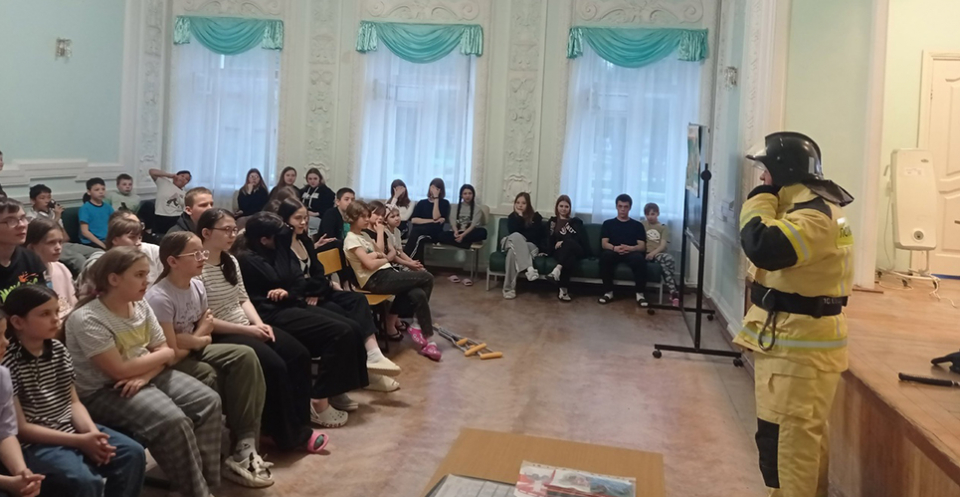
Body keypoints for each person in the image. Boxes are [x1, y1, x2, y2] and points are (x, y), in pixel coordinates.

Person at [735, 132, 854, 497]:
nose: (762, 178)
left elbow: (762, 245)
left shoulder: (815, 216)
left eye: (766, 171)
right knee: (797, 441)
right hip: (797, 347)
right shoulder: (815, 209)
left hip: (799, 352)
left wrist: (760, 198)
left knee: (786, 448)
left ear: (784, 171)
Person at [65, 247, 221, 497]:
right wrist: (161, 356)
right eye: (139, 275)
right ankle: (195, 491)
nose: (146, 280)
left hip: (145, 375)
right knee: (173, 421)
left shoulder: (140, 305)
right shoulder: (88, 318)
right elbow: (120, 371)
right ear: (114, 279)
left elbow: (165, 350)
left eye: (147, 274)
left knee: (209, 401)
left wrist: (146, 374)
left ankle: (201, 482)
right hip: (103, 391)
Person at [145, 233, 272, 488]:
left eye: (202, 252)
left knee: (246, 355)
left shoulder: (197, 286)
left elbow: (207, 326)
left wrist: (193, 338)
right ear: (172, 261)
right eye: (195, 254)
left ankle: (245, 443)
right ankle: (207, 457)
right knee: (207, 373)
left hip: (191, 348)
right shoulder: (160, 297)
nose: (202, 258)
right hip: (169, 360)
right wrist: (199, 337)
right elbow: (171, 353)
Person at [196, 209, 329, 454]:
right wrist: (248, 331)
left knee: (298, 354)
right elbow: (205, 319)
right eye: (226, 230)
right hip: (221, 331)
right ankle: (287, 435)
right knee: (274, 365)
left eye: (234, 230)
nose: (232, 235)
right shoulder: (198, 268)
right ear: (206, 233)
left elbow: (243, 298)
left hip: (244, 324)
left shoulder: (230, 260)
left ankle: (299, 423)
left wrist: (258, 324)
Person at [2, 285, 145, 497]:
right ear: (17, 322)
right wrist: (80, 441)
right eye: (45, 314)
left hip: (71, 428)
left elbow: (73, 402)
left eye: (56, 312)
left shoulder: (58, 350)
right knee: (85, 481)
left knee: (132, 453)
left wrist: (93, 435)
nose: (55, 319)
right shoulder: (8, 362)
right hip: (38, 442)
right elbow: (21, 429)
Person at [236, 212, 373, 425]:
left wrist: (290, 290)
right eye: (279, 236)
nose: (285, 237)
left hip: (290, 302)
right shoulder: (248, 258)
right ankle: (319, 401)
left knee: (352, 327)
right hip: (270, 312)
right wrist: (285, 252)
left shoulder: (275, 250)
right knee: (339, 333)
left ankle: (335, 389)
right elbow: (278, 277)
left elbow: (298, 281)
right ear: (264, 240)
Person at [278, 199, 400, 376]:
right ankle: (356, 369)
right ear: (285, 219)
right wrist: (320, 287)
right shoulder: (282, 246)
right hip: (303, 296)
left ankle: (373, 354)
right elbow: (293, 279)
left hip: (317, 290)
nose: (304, 222)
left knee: (357, 300)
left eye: (305, 218)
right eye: (298, 218)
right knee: (342, 316)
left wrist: (320, 288)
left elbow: (318, 271)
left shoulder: (304, 241)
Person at [344, 202, 440, 361]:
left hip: (384, 273)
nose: (368, 219)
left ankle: (427, 338)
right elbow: (371, 264)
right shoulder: (351, 240)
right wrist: (384, 258)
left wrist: (377, 256)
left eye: (368, 216)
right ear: (353, 218)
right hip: (374, 280)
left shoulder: (364, 236)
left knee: (417, 293)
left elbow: (379, 253)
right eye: (363, 217)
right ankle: (417, 326)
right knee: (427, 277)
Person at [0, 309, 45, 497]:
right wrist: (8, 483)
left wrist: (22, 472)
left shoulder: (2, 375)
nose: (6, 342)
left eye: (4, 334)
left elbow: (5, 432)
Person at [24, 185, 98, 276]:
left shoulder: (53, 213)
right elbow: (42, 238)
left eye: (49, 197)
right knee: (79, 259)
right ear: (33, 200)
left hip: (64, 243)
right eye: (42, 198)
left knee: (96, 252)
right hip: (49, 247)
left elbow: (65, 237)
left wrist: (56, 218)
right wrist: (56, 218)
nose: (47, 201)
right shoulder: (31, 218)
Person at [77, 215, 163, 293]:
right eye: (132, 237)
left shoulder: (142, 255)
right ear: (115, 240)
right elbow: (86, 296)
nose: (138, 243)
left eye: (139, 238)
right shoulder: (97, 264)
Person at [598, 194, 648, 307]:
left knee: (639, 259)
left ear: (630, 207)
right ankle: (608, 292)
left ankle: (640, 294)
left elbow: (642, 246)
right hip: (613, 251)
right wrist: (614, 248)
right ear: (616, 206)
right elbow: (604, 243)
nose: (622, 209)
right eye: (620, 206)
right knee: (605, 257)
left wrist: (631, 248)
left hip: (631, 252)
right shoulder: (608, 224)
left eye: (625, 207)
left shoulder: (637, 225)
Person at [24, 220, 76, 321]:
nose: (58, 247)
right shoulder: (25, 275)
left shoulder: (61, 268)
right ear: (31, 247)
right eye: (51, 243)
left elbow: (73, 303)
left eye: (60, 242)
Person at [543, 195, 589, 302]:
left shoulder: (575, 222)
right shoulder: (552, 222)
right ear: (557, 207)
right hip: (560, 251)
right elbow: (548, 239)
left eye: (566, 206)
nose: (563, 209)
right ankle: (563, 290)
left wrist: (564, 241)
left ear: (570, 208)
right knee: (569, 257)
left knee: (568, 244)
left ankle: (556, 271)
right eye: (561, 206)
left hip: (577, 249)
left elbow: (580, 239)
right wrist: (546, 250)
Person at [0, 199, 47, 302]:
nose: (22, 225)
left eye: (22, 218)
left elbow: (43, 299)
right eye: (10, 220)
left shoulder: (30, 258)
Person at [501, 192, 544, 300]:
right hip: (513, 242)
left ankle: (508, 289)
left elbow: (535, 235)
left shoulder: (536, 217)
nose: (520, 205)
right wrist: (520, 217)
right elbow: (513, 232)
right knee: (515, 236)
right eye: (518, 202)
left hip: (530, 246)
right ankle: (530, 269)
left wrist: (522, 235)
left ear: (528, 204)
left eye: (523, 203)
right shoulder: (512, 217)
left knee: (512, 252)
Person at [642, 203, 680, 307]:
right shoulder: (642, 225)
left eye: (652, 214)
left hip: (658, 253)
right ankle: (674, 291)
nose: (650, 217)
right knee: (665, 264)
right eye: (647, 214)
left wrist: (653, 254)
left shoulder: (663, 227)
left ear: (658, 214)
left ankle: (673, 291)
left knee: (667, 262)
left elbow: (663, 246)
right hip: (645, 253)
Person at [404, 178, 451, 263]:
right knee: (419, 239)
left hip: (433, 233)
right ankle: (417, 265)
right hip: (419, 231)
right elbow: (414, 220)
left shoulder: (444, 203)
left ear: (441, 190)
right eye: (432, 187)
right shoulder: (422, 203)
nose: (434, 190)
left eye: (437, 188)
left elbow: (435, 216)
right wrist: (432, 221)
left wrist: (436, 198)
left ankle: (407, 261)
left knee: (417, 235)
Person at [148, 169, 191, 234]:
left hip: (176, 218)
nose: (183, 179)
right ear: (176, 175)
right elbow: (151, 171)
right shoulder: (164, 183)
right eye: (182, 176)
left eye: (187, 179)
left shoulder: (185, 194)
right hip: (161, 216)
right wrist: (170, 175)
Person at [383, 206, 424, 272]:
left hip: (398, 262)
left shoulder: (397, 231)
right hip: (388, 262)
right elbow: (392, 256)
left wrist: (412, 262)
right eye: (392, 217)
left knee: (421, 270)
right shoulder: (384, 232)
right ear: (385, 220)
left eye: (398, 215)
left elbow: (400, 252)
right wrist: (409, 264)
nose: (397, 218)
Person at [78, 178, 114, 250]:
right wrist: (103, 245)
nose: (101, 192)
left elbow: (115, 222)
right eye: (97, 190)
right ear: (89, 192)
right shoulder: (85, 208)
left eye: (103, 189)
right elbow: (85, 232)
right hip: (91, 242)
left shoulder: (108, 207)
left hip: (107, 240)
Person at [299, 168, 335, 234]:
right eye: (310, 179)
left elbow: (329, 208)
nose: (312, 181)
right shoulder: (303, 190)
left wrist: (316, 214)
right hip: (304, 216)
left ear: (319, 179)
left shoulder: (326, 192)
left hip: (318, 218)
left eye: (315, 179)